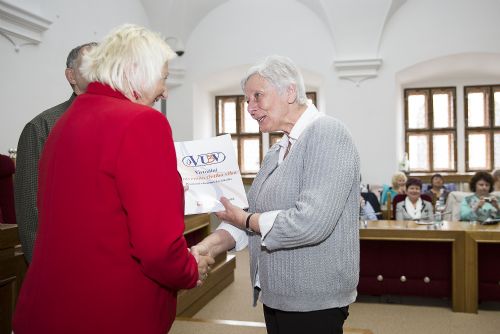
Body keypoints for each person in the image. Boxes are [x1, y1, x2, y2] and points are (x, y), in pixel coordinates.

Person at [13, 24, 213, 334]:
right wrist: (189, 269)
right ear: (136, 71)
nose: (165, 90)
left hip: (53, 306)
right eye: (163, 77)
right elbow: (157, 249)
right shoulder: (142, 122)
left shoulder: (66, 120)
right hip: (111, 312)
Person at [191, 55, 360, 334]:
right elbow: (248, 216)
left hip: (313, 301)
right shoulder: (276, 151)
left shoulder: (329, 133)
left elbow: (310, 223)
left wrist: (247, 220)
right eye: (247, 100)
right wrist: (204, 248)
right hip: (276, 295)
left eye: (258, 96)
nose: (250, 108)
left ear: (290, 92)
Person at [14, 42, 97, 263]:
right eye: (91, 65)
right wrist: (39, 265)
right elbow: (30, 207)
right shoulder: (42, 127)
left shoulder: (122, 123)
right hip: (64, 255)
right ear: (71, 76)